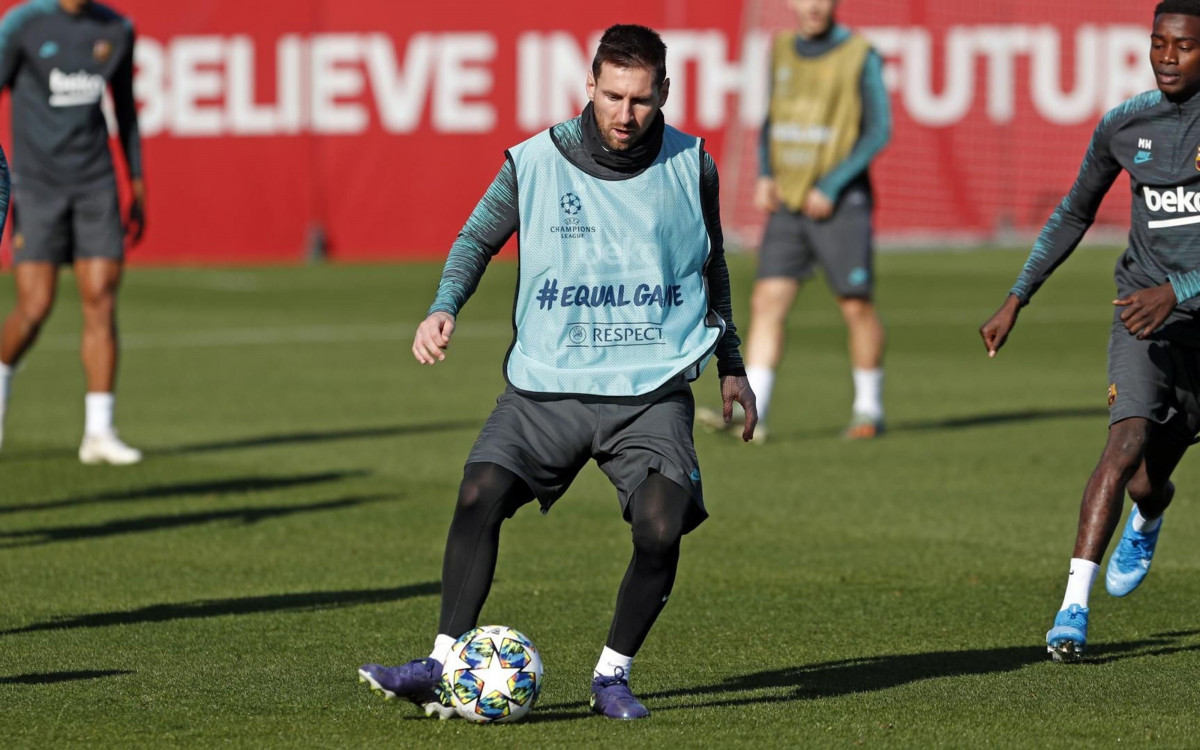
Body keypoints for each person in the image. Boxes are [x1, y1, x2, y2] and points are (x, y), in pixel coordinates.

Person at [357, 24, 756, 720]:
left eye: (639, 99)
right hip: (549, 384)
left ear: (665, 92)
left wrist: (732, 365)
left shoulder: (694, 164)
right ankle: (442, 661)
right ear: (589, 86)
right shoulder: (537, 160)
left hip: (651, 390)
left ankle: (611, 676)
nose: (624, 114)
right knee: (480, 490)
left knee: (662, 528)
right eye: (611, 95)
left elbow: (711, 263)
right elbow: (477, 236)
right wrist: (443, 306)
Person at [980, 0, 1200, 662]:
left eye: (1183, 46)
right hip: (1143, 317)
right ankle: (1073, 605)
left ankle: (1151, 513)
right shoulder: (1125, 124)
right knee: (1126, 444)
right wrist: (1017, 296)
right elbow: (1074, 212)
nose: (1166, 56)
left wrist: (1181, 291)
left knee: (1149, 480)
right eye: (1158, 42)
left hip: (1181, 312)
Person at [700, 0, 890, 442]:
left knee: (854, 305)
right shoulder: (781, 48)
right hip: (788, 202)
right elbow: (771, 120)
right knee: (767, 302)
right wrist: (765, 173)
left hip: (840, 203)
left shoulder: (860, 53)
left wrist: (834, 183)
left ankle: (869, 408)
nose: (815, 5)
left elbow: (878, 129)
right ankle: (756, 413)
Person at [0, 0, 144, 464]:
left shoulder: (116, 28)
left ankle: (99, 432)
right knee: (35, 305)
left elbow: (125, 108)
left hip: (94, 182)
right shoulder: (22, 25)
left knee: (101, 295)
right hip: (37, 184)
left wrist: (136, 180)